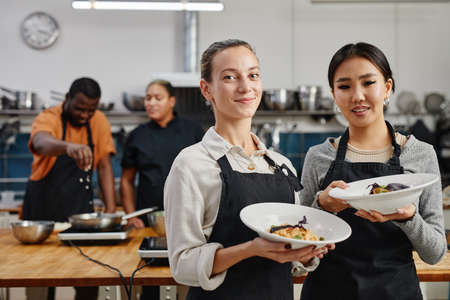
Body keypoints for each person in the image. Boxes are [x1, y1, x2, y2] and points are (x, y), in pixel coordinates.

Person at [164, 39, 333, 300]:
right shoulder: (192, 164)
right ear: (207, 90)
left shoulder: (281, 165)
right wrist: (251, 249)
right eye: (230, 77)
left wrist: (307, 253)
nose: (246, 87)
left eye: (253, 75)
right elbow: (182, 265)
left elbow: (292, 266)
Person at [300, 42, 446, 300]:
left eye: (368, 83)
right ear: (334, 94)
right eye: (344, 86)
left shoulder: (421, 154)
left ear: (387, 87)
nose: (357, 96)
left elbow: (435, 253)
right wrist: (322, 206)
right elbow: (300, 252)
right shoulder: (318, 157)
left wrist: (408, 219)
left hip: (396, 292)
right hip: (328, 291)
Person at [22, 77, 116, 300]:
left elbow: (104, 166)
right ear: (67, 99)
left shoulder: (99, 121)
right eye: (80, 109)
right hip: (42, 218)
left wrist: (112, 212)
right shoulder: (49, 117)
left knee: (88, 282)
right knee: (40, 285)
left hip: (80, 217)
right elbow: (40, 142)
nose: (85, 115)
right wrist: (68, 147)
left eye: (90, 110)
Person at [120, 79, 204, 229]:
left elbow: (206, 176)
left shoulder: (193, 131)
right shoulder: (137, 135)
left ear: (171, 101)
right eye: (148, 98)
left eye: (158, 98)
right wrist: (132, 216)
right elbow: (127, 180)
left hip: (189, 219)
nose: (151, 103)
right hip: (148, 222)